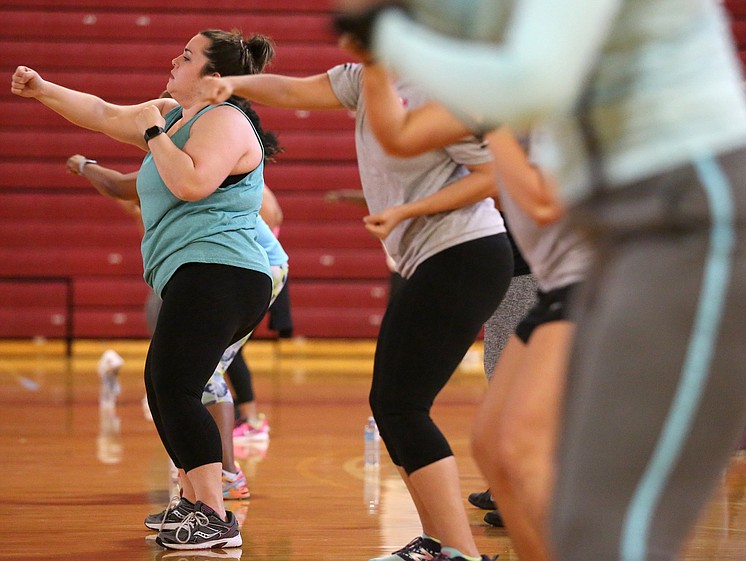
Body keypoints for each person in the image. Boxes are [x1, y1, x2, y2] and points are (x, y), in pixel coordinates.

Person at [336, 2, 746, 561]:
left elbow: (526, 96)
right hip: (626, 250)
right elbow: (403, 134)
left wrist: (388, 34)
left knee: (602, 517)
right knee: (504, 452)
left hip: (703, 227)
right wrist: (380, 58)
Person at [198, 40, 512, 561]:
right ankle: (442, 544)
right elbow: (295, 89)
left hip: (467, 253)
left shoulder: (439, 92)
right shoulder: (363, 77)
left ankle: (457, 550)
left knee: (402, 405)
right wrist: (236, 85)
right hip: (436, 259)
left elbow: (493, 176)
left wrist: (409, 211)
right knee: (392, 405)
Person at [13, 28, 286, 550]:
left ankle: (214, 514)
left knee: (179, 386)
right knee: (163, 386)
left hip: (223, 272)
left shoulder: (227, 120)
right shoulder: (173, 115)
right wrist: (44, 89)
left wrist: (154, 132)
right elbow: (101, 112)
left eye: (187, 57)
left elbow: (191, 183)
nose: (173, 61)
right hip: (195, 272)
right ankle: (192, 500)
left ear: (214, 79)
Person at [352, 55, 593, 552]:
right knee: (492, 442)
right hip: (535, 275)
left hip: (573, 277)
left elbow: (538, 196)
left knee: (523, 434)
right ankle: (465, 547)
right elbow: (398, 136)